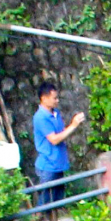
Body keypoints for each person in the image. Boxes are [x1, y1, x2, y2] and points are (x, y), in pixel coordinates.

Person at [31, 82, 86, 210]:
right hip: (48, 166)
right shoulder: (40, 117)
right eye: (54, 98)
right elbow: (54, 140)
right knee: (44, 205)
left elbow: (61, 134)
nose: (57, 100)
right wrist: (73, 125)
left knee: (56, 204)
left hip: (58, 164)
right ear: (44, 98)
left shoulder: (56, 113)